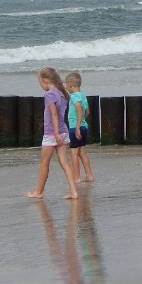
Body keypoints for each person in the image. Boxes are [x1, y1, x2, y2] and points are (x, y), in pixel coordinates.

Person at [26, 67, 78, 200]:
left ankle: (39, 192)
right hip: (63, 131)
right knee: (64, 162)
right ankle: (73, 191)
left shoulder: (49, 94)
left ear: (44, 80)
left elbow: (54, 114)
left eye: (40, 82)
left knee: (44, 163)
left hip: (52, 134)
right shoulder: (62, 94)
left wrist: (55, 133)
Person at [65, 71, 94, 183]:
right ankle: (89, 175)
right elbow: (87, 111)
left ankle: (76, 177)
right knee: (82, 152)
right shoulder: (82, 95)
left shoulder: (73, 97)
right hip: (83, 126)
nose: (66, 88)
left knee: (73, 153)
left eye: (67, 86)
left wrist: (77, 127)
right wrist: (82, 121)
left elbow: (78, 109)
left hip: (75, 128)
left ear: (71, 85)